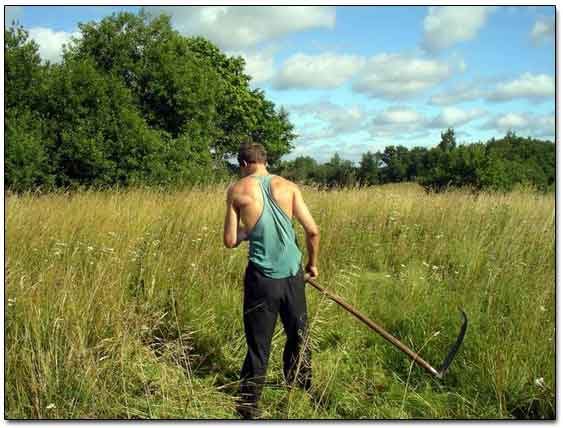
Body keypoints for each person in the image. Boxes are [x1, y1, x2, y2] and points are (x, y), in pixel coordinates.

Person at [223, 141, 320, 419]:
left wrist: (248, 232)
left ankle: (248, 406)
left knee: (258, 343)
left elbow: (230, 240)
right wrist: (312, 266)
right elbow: (313, 232)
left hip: (261, 280)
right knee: (298, 335)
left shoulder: (237, 191)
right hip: (293, 275)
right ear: (265, 161)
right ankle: (300, 388)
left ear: (243, 164)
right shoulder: (289, 187)